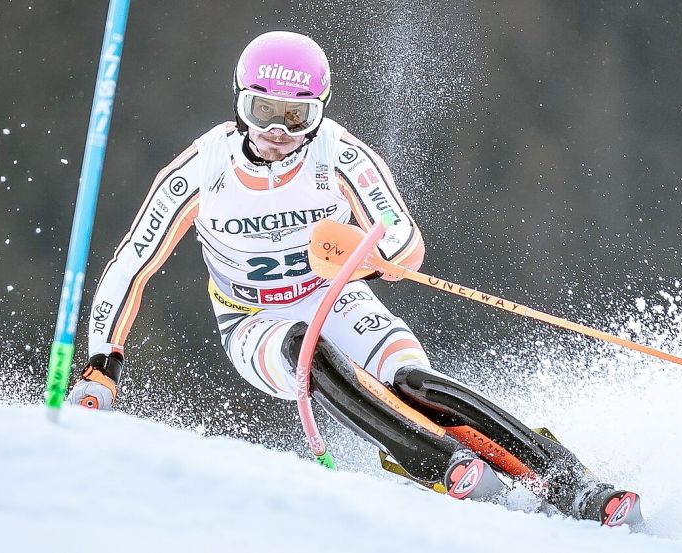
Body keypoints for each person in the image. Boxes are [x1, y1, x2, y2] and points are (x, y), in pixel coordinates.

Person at [67, 30, 643, 529]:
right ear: (238, 102)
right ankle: (437, 462)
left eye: (298, 117)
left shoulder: (339, 156)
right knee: (304, 353)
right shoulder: (202, 169)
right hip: (252, 320)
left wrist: (359, 259)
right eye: (262, 111)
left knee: (414, 381)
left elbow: (403, 245)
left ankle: (571, 483)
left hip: (336, 295)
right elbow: (131, 264)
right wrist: (102, 364)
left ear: (320, 111)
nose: (279, 131)